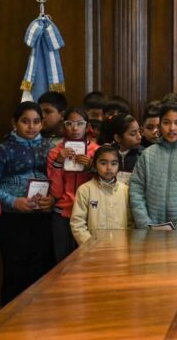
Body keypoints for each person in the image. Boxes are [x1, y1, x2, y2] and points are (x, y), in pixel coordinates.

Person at [0, 102, 54, 306]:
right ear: (14, 122)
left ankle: (38, 319)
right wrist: (13, 202)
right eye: (25, 121)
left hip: (42, 216)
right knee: (15, 270)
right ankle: (9, 322)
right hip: (12, 218)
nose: (31, 127)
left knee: (40, 268)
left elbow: (59, 180)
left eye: (36, 122)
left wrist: (52, 199)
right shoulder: (3, 149)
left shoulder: (50, 148)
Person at [47, 107, 98, 262]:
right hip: (63, 212)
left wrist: (91, 167)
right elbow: (55, 193)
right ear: (64, 125)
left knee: (89, 259)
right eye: (70, 123)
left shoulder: (96, 151)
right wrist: (58, 163)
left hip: (90, 211)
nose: (75, 128)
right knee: (63, 261)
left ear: (87, 126)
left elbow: (102, 184)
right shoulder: (55, 152)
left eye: (80, 123)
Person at [71, 145, 132, 244]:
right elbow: (77, 223)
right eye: (103, 163)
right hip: (93, 248)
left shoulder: (125, 190)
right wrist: (90, 244)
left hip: (120, 246)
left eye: (114, 163)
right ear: (95, 165)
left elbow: (131, 222)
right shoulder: (85, 190)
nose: (109, 168)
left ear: (119, 166)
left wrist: (126, 242)